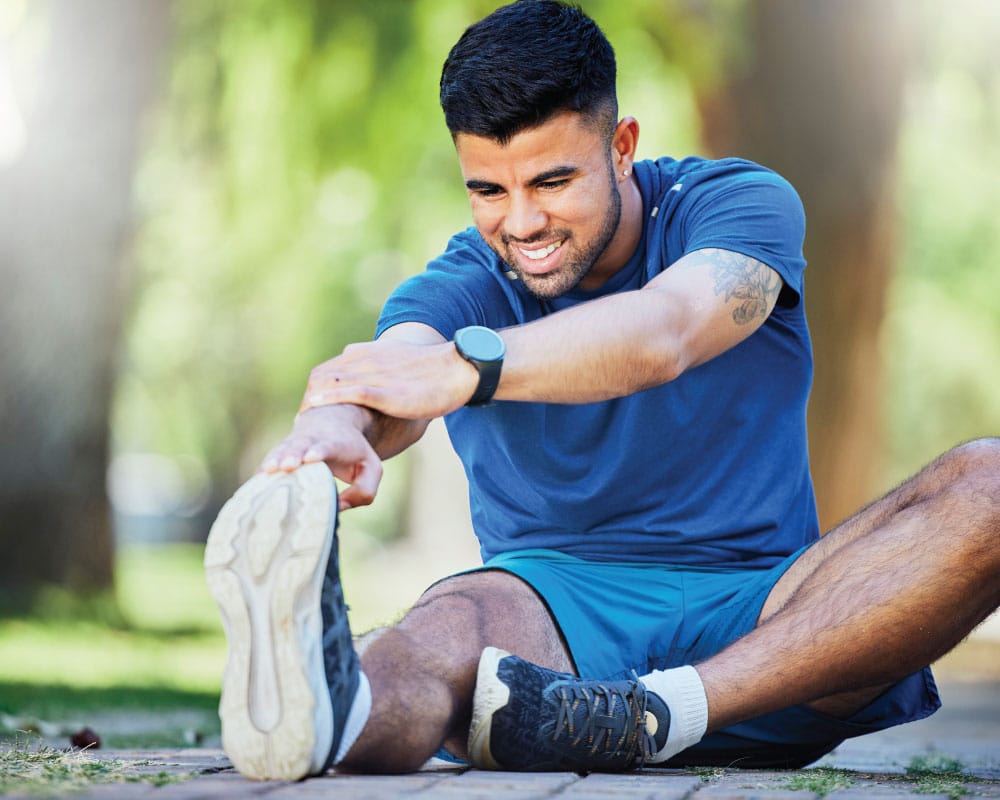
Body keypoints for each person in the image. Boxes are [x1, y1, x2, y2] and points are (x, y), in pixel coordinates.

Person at [204, 0, 1000, 780]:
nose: (522, 224)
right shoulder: (464, 281)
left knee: (989, 482)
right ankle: (325, 711)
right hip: (546, 648)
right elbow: (395, 364)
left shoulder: (734, 207)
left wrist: (464, 368)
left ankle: (652, 715)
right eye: (489, 191)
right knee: (437, 639)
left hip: (773, 625)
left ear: (622, 147)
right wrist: (337, 428)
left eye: (552, 181)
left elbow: (665, 332)